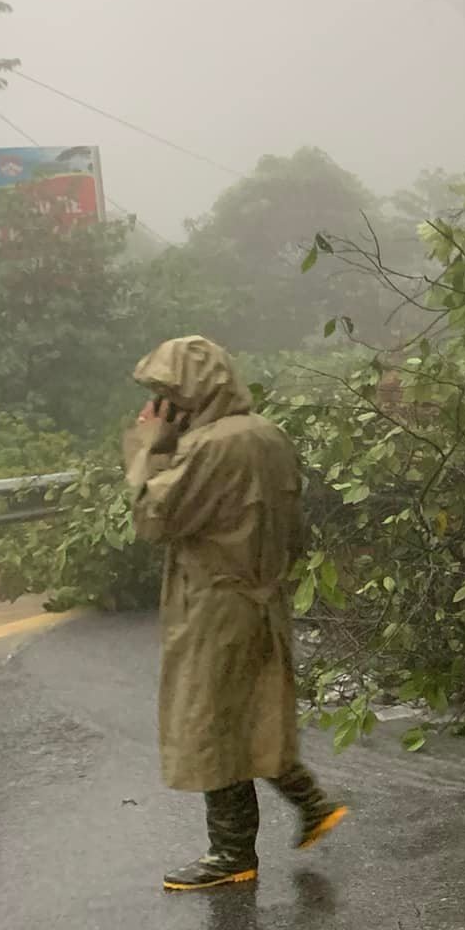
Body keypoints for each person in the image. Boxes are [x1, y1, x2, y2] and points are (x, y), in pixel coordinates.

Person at [123, 335, 346, 890]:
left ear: (190, 393)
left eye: (165, 396)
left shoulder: (213, 446)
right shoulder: (267, 435)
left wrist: (149, 445)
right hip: (260, 595)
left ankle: (230, 855)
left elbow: (153, 517)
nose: (159, 407)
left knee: (210, 721)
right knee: (252, 711)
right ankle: (312, 805)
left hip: (215, 603)